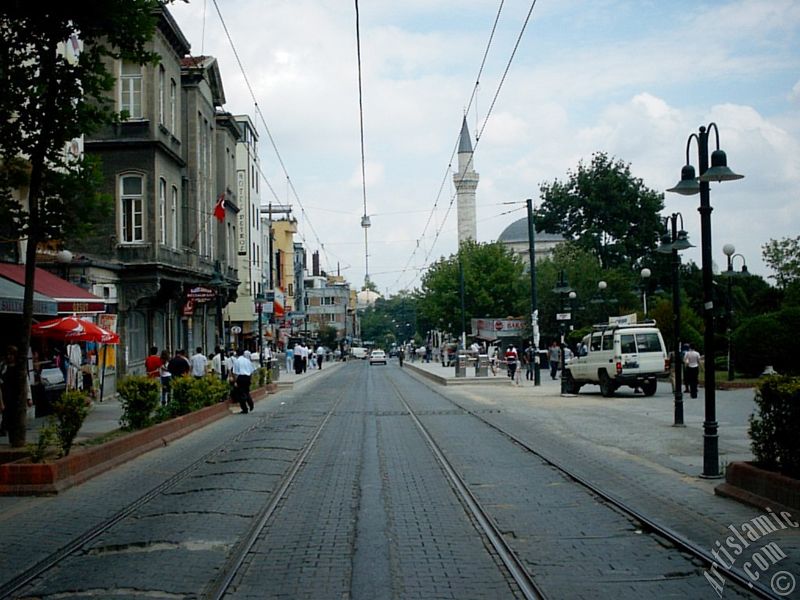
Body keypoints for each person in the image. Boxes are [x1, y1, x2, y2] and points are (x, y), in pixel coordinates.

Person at [0, 345, 28, 444]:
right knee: (8, 418)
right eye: (8, 355)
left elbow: (26, 383)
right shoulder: (4, 368)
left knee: (16, 419)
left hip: (17, 396)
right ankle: (11, 438)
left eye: (11, 355)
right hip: (7, 395)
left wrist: (28, 397)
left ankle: (17, 439)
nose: (9, 357)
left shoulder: (19, 368)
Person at [233, 348, 255, 413]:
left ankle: (244, 408)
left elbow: (235, 373)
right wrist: (251, 379)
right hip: (247, 377)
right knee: (246, 391)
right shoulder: (247, 361)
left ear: (237, 354)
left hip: (241, 377)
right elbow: (251, 371)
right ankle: (250, 404)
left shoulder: (237, 361)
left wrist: (235, 381)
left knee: (240, 394)